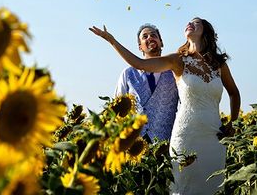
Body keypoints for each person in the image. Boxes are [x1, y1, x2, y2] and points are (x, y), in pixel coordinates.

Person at [90, 17, 240, 195]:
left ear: (206, 31)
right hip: (180, 136)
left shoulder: (218, 64)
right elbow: (140, 64)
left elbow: (234, 93)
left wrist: (233, 123)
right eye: (144, 37)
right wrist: (112, 41)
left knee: (212, 187)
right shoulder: (177, 61)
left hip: (213, 136)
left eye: (196, 22)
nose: (190, 23)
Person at [114, 23, 178, 142]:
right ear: (140, 47)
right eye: (145, 37)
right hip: (134, 144)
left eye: (153, 35)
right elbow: (117, 108)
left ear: (161, 42)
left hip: (165, 143)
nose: (150, 38)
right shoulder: (128, 74)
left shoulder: (175, 74)